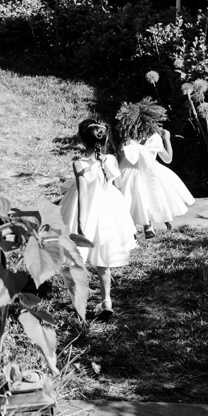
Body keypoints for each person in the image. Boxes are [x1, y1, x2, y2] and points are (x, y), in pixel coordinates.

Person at [59, 118, 136, 321]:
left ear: (82, 141)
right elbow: (118, 182)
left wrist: (81, 223)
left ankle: (79, 303)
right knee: (104, 260)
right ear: (105, 139)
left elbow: (83, 194)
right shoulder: (109, 159)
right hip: (108, 207)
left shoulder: (79, 164)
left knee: (75, 260)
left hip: (85, 210)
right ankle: (107, 301)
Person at [115, 99, 194, 239]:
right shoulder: (155, 139)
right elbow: (168, 159)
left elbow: (119, 163)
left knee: (132, 199)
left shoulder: (126, 141)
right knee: (151, 195)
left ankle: (133, 229)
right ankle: (148, 226)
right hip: (153, 171)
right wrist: (167, 139)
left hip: (130, 173)